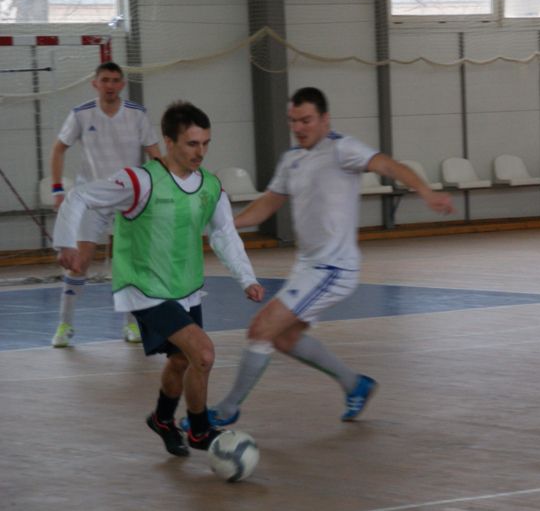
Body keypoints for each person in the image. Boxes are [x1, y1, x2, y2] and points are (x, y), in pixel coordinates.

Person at [197, 86, 454, 428]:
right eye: (293, 121)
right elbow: (268, 204)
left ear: (324, 119)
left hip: (334, 268)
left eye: (306, 120)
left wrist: (426, 192)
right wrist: (225, 225)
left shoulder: (342, 149)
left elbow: (390, 166)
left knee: (261, 328)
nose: (298, 128)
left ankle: (226, 410)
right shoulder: (291, 159)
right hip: (307, 267)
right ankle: (355, 384)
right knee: (284, 337)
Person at [53, 101, 264, 456]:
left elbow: (224, 234)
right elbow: (80, 197)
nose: (201, 152)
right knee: (203, 354)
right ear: (168, 141)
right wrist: (66, 242)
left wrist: (247, 278)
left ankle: (162, 419)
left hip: (186, 289)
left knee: (182, 360)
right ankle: (199, 431)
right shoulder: (139, 181)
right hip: (145, 288)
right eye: (192, 143)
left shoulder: (210, 186)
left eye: (206, 143)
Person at [50, 61, 161, 347]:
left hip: (129, 198)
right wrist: (57, 190)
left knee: (132, 264)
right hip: (92, 198)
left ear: (122, 84)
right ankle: (65, 325)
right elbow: (58, 149)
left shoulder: (137, 114)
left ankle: (132, 324)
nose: (110, 85)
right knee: (79, 261)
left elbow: (155, 155)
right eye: (105, 80)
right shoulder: (81, 113)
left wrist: (161, 189)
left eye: (115, 80)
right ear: (95, 84)